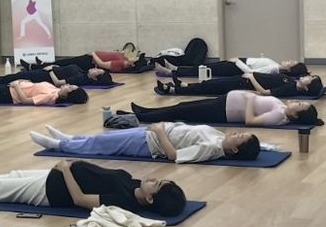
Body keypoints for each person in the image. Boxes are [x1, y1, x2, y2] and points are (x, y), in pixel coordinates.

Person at [0, 160, 186, 216]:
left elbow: (80, 199)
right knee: (13, 174)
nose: (155, 179)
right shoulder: (135, 184)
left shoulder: (123, 200)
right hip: (57, 175)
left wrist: (67, 169)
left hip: (52, 192)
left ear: (150, 200)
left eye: (158, 185)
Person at [29, 123, 261, 163]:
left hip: (149, 143)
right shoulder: (219, 138)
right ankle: (69, 138)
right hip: (153, 133)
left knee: (102, 145)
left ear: (234, 149)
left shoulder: (211, 149)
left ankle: (58, 146)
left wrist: (159, 131)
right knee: (103, 138)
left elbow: (175, 156)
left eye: (240, 137)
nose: (237, 133)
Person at [129, 91, 322, 126]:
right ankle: (146, 112)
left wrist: (249, 100)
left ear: (295, 115)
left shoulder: (278, 117)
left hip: (223, 112)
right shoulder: (281, 107)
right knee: (182, 106)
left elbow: (250, 121)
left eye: (299, 105)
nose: (296, 102)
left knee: (180, 112)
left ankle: (144, 117)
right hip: (225, 102)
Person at [155, 73, 323, 98]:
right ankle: (183, 85)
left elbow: (265, 92)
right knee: (211, 84)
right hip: (244, 79)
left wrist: (251, 78)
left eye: (310, 79)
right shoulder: (291, 81)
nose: (307, 76)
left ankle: (174, 90)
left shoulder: (289, 88)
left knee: (211, 87)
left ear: (306, 87)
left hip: (244, 83)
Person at [0, 64, 114, 88]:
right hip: (45, 73)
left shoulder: (80, 78)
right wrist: (55, 67)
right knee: (16, 75)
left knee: (16, 78)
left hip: (43, 77)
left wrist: (50, 71)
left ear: (95, 78)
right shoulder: (82, 71)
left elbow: (58, 83)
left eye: (98, 72)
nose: (95, 69)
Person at [155, 57, 309, 77]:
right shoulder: (275, 65)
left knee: (204, 70)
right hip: (240, 62)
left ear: (289, 70)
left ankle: (172, 72)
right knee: (205, 66)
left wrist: (237, 62)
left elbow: (251, 72)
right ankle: (175, 69)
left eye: (291, 63)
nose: (288, 60)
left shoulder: (273, 69)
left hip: (237, 66)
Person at [23, 51, 140, 73]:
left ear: (132, 64)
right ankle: (42, 64)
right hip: (88, 58)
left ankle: (34, 67)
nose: (134, 56)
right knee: (64, 62)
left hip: (88, 62)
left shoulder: (120, 64)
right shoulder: (124, 59)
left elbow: (102, 64)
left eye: (135, 58)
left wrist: (93, 54)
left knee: (64, 64)